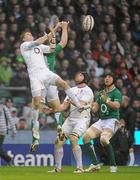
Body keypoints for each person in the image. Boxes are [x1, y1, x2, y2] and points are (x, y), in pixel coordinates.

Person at [20, 27, 83, 152]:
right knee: (37, 104)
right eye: (27, 34)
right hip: (35, 77)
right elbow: (37, 42)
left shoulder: (39, 48)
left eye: (31, 33)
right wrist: (52, 31)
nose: (30, 35)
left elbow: (52, 49)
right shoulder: (25, 45)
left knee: (63, 83)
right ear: (24, 38)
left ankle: (78, 104)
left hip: (46, 73)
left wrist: (53, 38)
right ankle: (35, 135)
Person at [48, 71, 94, 173]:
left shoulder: (88, 91)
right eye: (77, 74)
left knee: (73, 139)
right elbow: (64, 106)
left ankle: (79, 167)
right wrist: (52, 109)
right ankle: (58, 168)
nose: (77, 75)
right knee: (58, 142)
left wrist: (72, 99)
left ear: (85, 78)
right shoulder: (72, 90)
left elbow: (81, 106)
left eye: (80, 75)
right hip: (70, 119)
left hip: (82, 119)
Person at [83, 73, 122, 173]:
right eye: (106, 77)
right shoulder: (101, 93)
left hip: (112, 120)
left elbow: (117, 106)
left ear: (113, 80)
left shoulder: (116, 92)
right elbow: (96, 109)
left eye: (109, 77)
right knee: (85, 138)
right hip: (102, 120)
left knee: (104, 139)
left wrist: (107, 100)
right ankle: (95, 164)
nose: (107, 78)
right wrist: (89, 105)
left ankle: (113, 166)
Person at [43, 21, 68, 131]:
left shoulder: (38, 49)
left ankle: (58, 128)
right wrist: (63, 28)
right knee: (56, 107)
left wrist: (58, 27)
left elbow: (61, 41)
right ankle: (59, 127)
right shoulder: (50, 50)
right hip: (48, 81)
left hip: (42, 82)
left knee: (37, 108)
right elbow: (63, 42)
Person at [0, 99, 17, 166]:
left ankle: (9, 159)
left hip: (1, 130)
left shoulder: (4, 108)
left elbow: (10, 119)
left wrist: (14, 131)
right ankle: (9, 160)